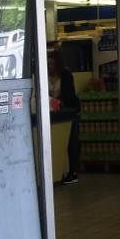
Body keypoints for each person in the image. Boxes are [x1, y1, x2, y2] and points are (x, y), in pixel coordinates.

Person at [48, 50, 82, 185]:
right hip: (55, 112)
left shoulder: (66, 75)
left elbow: (69, 94)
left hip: (70, 111)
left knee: (71, 141)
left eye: (52, 62)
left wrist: (57, 100)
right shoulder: (44, 75)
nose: (50, 65)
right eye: (48, 63)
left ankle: (73, 171)